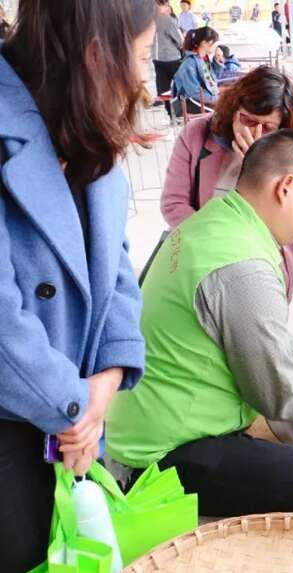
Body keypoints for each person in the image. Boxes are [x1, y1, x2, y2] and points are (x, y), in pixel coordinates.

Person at [107, 130, 293, 517]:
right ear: (285, 188)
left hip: (138, 420)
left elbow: (260, 332)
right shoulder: (244, 269)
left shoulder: (214, 221)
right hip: (155, 453)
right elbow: (278, 398)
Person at [0, 0, 154, 569]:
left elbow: (115, 263)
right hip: (17, 419)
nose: (144, 76)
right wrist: (75, 410)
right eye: (139, 56)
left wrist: (105, 387)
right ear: (96, 52)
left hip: (81, 411)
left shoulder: (89, 116)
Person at [162, 66, 293, 300]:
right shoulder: (196, 135)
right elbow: (173, 203)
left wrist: (258, 166)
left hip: (258, 263)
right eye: (247, 119)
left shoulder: (289, 153)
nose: (254, 131)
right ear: (234, 108)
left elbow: (289, 220)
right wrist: (216, 241)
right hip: (200, 255)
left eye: (267, 127)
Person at [172, 26, 220, 114]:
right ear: (205, 43)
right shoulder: (189, 63)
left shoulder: (203, 59)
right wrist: (216, 99)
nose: (217, 48)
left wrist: (218, 62)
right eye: (215, 44)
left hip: (201, 100)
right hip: (190, 103)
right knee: (227, 110)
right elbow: (194, 92)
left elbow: (213, 81)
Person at [154, 0, 184, 118]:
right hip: (172, 58)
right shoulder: (167, 20)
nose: (167, 8)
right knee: (179, 86)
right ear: (163, 5)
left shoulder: (148, 20)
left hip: (157, 59)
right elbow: (180, 40)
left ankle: (169, 113)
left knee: (163, 87)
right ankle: (180, 112)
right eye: (166, 6)